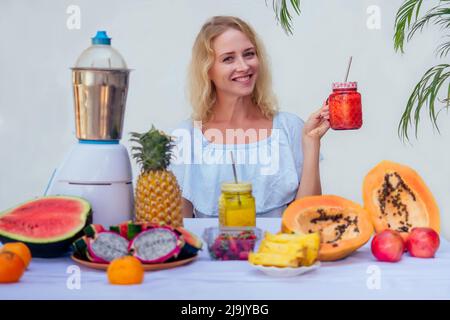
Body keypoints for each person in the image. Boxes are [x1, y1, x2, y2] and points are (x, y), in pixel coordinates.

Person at [170, 16, 329, 218]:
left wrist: (311, 141)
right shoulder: (186, 137)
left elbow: (308, 217)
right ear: (207, 70)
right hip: (213, 250)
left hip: (281, 249)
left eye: (249, 54)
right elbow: (182, 229)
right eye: (228, 58)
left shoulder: (289, 127)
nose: (244, 66)